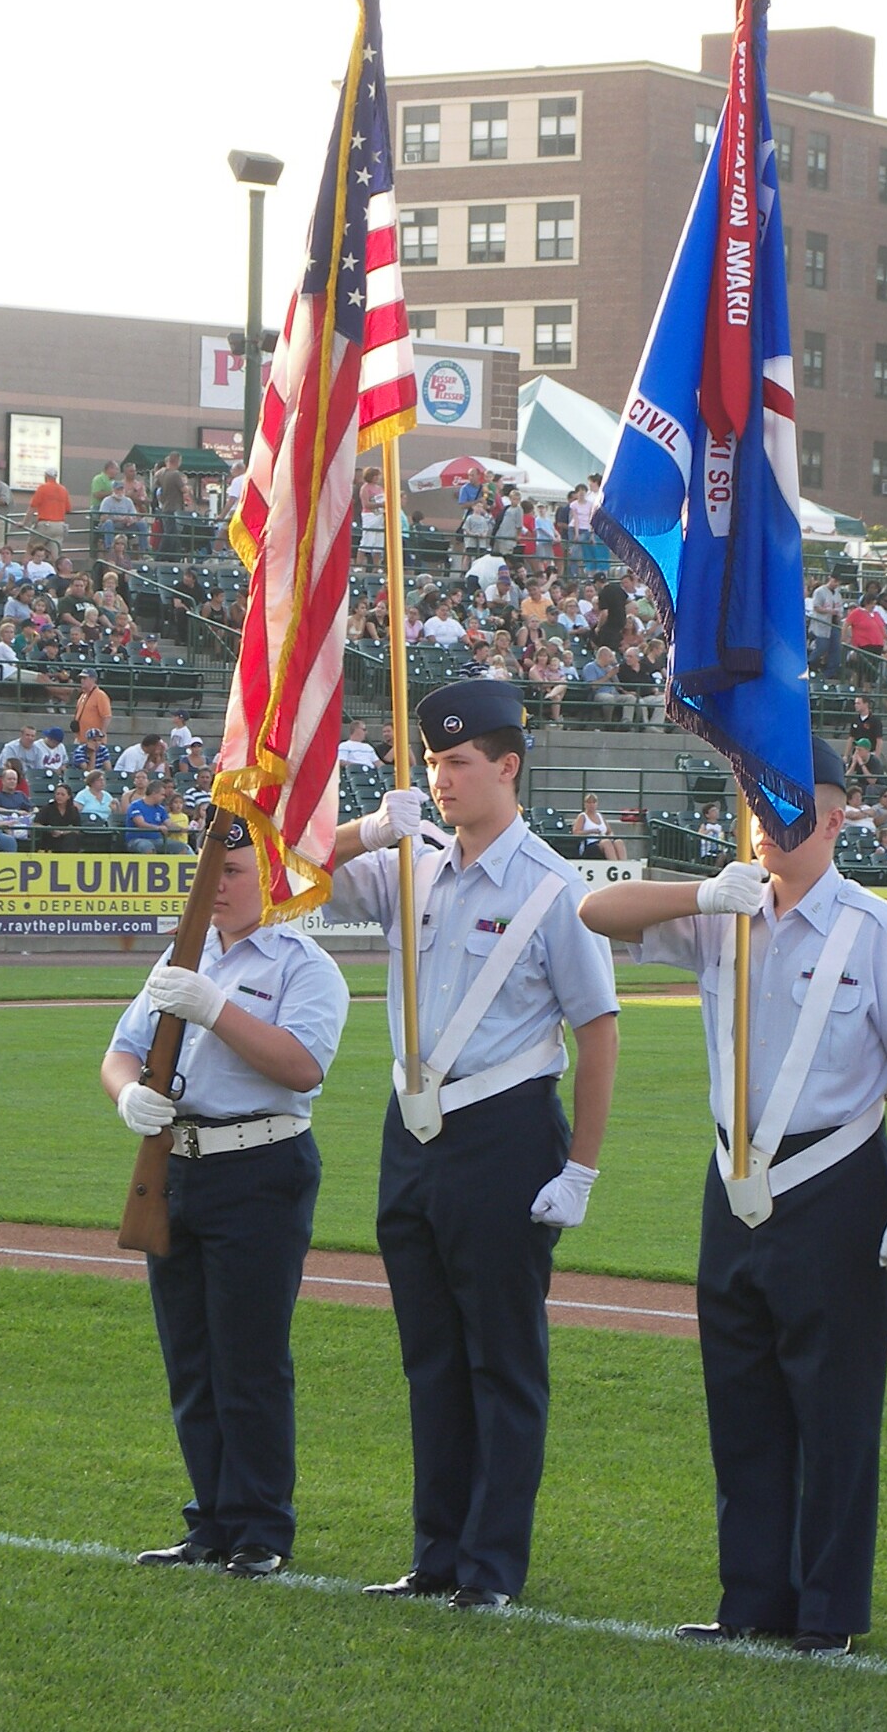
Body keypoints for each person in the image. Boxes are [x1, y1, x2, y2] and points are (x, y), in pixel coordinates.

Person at [578, 739, 887, 1656]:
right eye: (756, 807)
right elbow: (594, 909)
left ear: (832, 819)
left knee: (833, 1409)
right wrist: (702, 893)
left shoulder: (875, 930)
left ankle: (827, 1613)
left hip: (835, 1180)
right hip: (735, 1179)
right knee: (740, 1398)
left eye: (789, 810)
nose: (768, 828)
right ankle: (751, 1599)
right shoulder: (723, 913)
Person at [323, 680, 619, 1610]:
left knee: (501, 1356)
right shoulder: (411, 862)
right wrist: (370, 830)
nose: (442, 780)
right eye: (434, 762)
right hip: (411, 1132)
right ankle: (437, 1553)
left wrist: (581, 1168)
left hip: (504, 1130)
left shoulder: (553, 889)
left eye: (458, 763)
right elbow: (282, 861)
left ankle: (490, 1565)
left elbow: (599, 1029)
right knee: (430, 1357)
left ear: (507, 766)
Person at [101, 818, 350, 1577]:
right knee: (192, 1354)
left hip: (260, 1165)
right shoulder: (182, 955)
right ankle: (209, 1519)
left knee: (249, 1355)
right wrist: (127, 1097)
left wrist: (213, 1008)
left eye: (231, 870)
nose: (214, 884)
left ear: (271, 876)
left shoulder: (307, 966)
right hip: (176, 1163)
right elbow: (122, 1051)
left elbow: (301, 1066)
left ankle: (261, 1527)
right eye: (207, 870)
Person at [572, 792, 626, 862]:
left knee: (619, 842)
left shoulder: (600, 816)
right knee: (606, 843)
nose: (591, 805)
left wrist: (610, 836)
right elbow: (575, 832)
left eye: (593, 803)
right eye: (589, 803)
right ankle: (614, 863)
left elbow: (609, 831)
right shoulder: (582, 816)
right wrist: (591, 831)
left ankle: (623, 864)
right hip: (591, 843)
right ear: (585, 804)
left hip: (603, 839)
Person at [34, 782, 82, 851]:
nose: (59, 796)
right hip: (50, 838)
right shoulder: (48, 808)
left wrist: (63, 832)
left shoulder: (73, 810)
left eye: (62, 794)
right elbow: (36, 824)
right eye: (57, 794)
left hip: (68, 839)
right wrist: (49, 829)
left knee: (72, 838)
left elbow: (77, 829)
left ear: (68, 796)